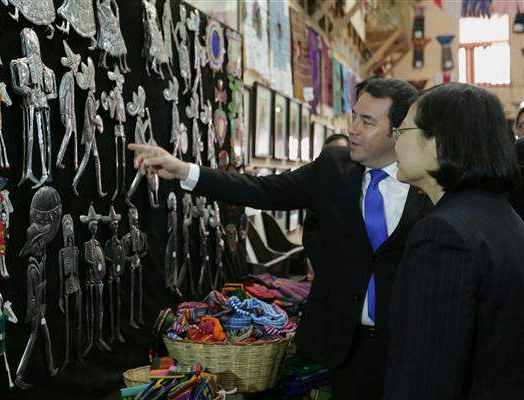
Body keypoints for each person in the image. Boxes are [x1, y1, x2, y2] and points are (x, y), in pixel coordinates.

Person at [130, 78, 431, 399]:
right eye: (354, 116)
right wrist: (183, 171)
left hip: (409, 343)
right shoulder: (332, 169)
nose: (353, 129)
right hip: (342, 345)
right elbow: (260, 190)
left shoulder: (429, 182)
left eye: (367, 122)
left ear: (397, 131)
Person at [385, 82, 524, 399]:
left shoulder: (443, 234)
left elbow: (427, 376)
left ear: (438, 143)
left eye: (402, 130)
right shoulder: (502, 216)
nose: (395, 141)